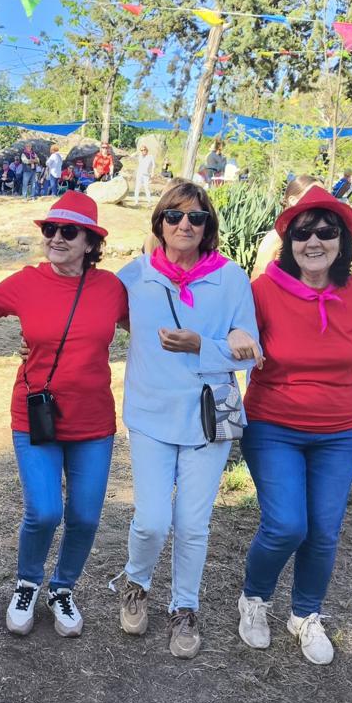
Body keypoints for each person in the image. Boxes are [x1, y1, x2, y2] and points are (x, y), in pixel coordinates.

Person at [0, 191, 128, 638]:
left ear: (91, 242)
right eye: (50, 230)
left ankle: (62, 588)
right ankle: (27, 583)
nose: (57, 238)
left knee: (84, 516)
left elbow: (152, 325)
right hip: (36, 416)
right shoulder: (26, 282)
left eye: (69, 231)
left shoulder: (111, 288)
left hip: (93, 423)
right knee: (44, 512)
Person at [236, 185, 352, 665]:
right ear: (289, 241)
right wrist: (237, 331)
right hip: (273, 425)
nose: (314, 241)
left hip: (341, 433)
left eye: (326, 231)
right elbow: (227, 336)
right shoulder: (261, 290)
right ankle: (254, 600)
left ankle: (306, 614)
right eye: (303, 233)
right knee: (285, 525)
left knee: (324, 530)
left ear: (342, 240)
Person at [114, 180, 260, 660]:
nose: (184, 225)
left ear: (207, 227)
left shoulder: (231, 278)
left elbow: (250, 352)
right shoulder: (135, 276)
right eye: (174, 216)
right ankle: (136, 584)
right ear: (159, 223)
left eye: (195, 218)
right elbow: (90, 315)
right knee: (152, 520)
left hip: (207, 417)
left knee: (193, 524)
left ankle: (184, 608)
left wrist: (205, 345)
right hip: (151, 415)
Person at [252, 175, 322, 279]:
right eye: (314, 194)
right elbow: (257, 277)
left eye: (324, 193)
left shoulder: (325, 235)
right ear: (293, 200)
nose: (322, 198)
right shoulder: (276, 237)